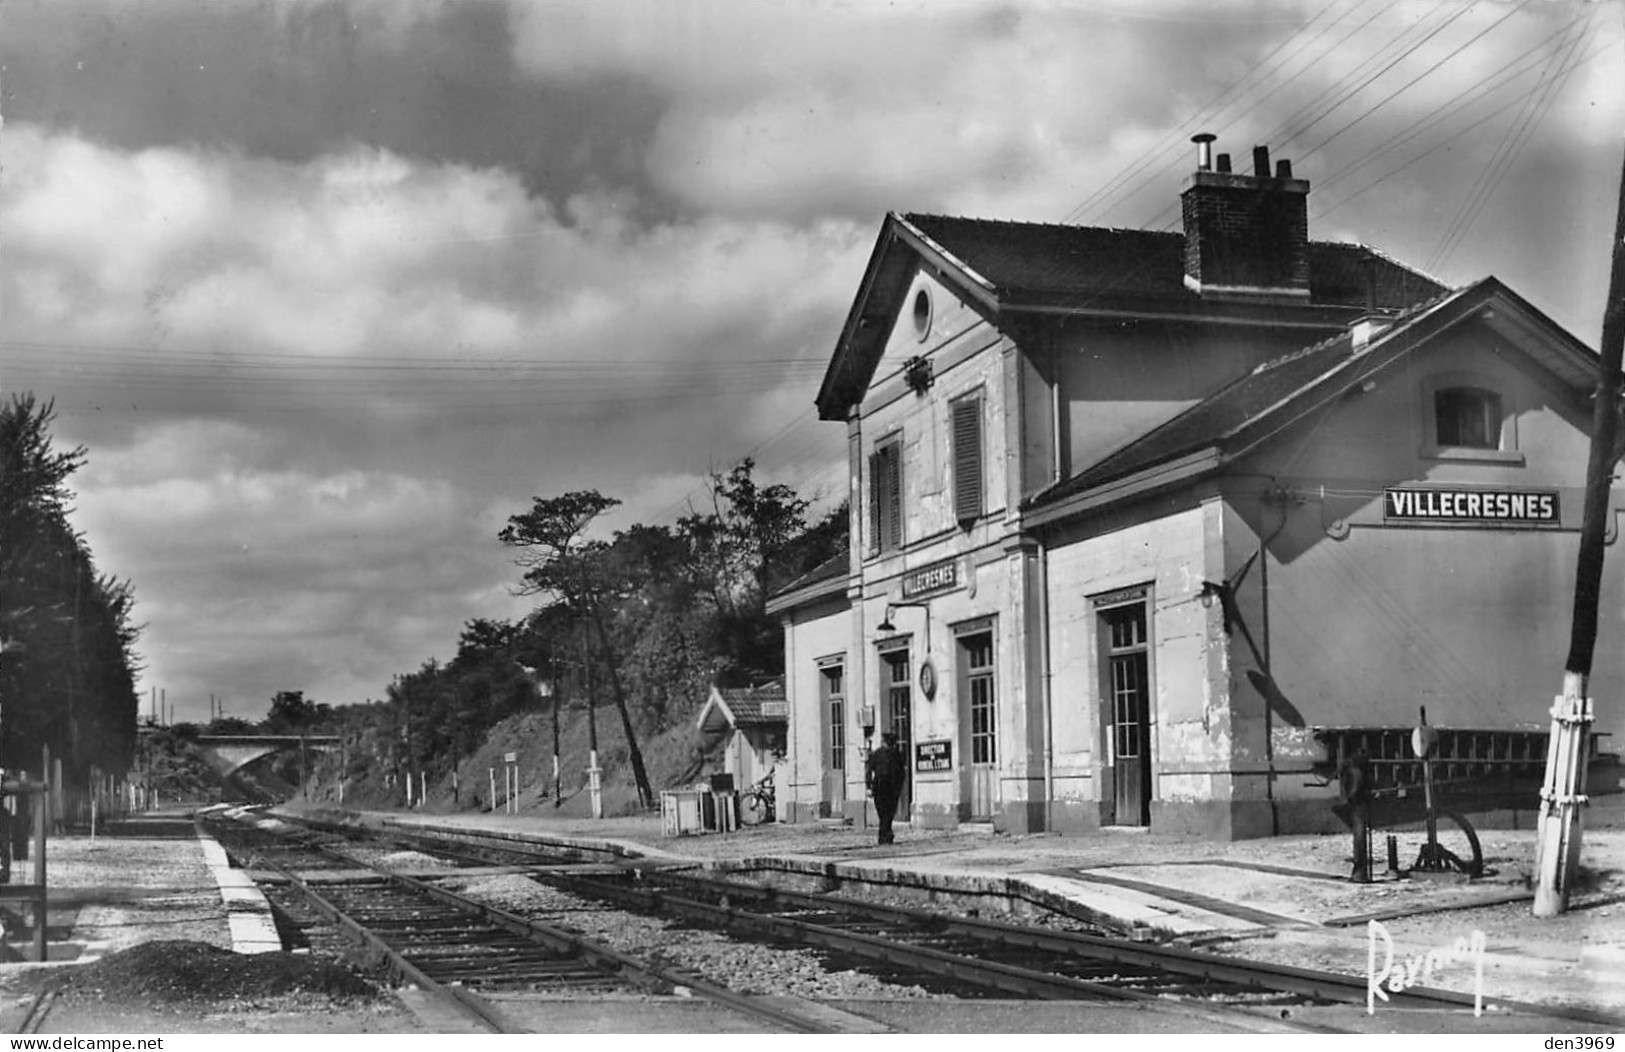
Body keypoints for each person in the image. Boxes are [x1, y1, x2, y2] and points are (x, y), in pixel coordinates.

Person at [865, 732, 904, 846]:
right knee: (886, 813)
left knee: (885, 813)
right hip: (885, 787)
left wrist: (869, 786)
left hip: (884, 787)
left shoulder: (890, 754)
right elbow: (902, 773)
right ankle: (885, 835)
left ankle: (885, 836)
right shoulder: (888, 754)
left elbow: (868, 771)